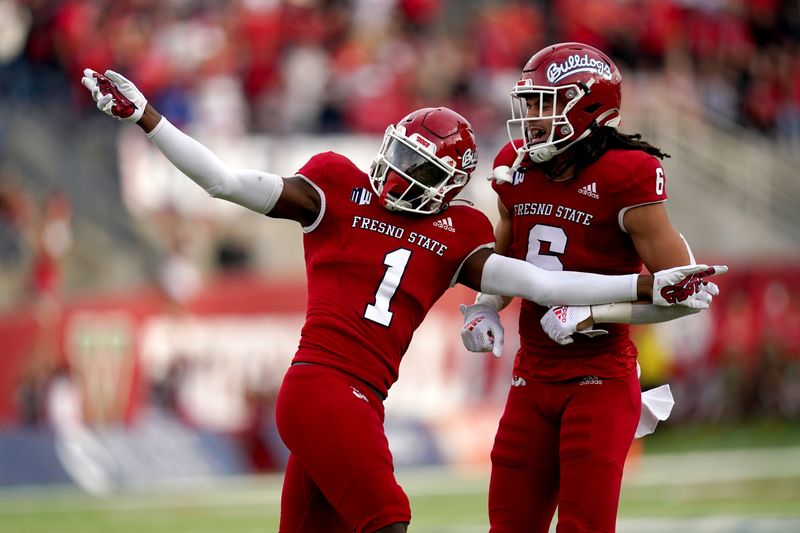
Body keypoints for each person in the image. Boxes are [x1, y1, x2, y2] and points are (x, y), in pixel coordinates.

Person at [81, 67, 722, 533]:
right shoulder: (335, 187)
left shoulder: (458, 232)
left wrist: (640, 287)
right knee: (388, 521)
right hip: (324, 385)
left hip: (360, 399)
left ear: (450, 186)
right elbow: (222, 181)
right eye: (399, 158)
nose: (398, 176)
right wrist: (148, 118)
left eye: (420, 169)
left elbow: (540, 282)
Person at [459, 42, 725, 533]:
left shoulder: (628, 174)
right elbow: (501, 260)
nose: (533, 118)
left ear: (589, 106)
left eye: (546, 103)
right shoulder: (515, 166)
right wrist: (484, 308)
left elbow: (684, 295)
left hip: (599, 380)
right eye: (530, 103)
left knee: (584, 527)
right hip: (530, 377)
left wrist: (595, 314)